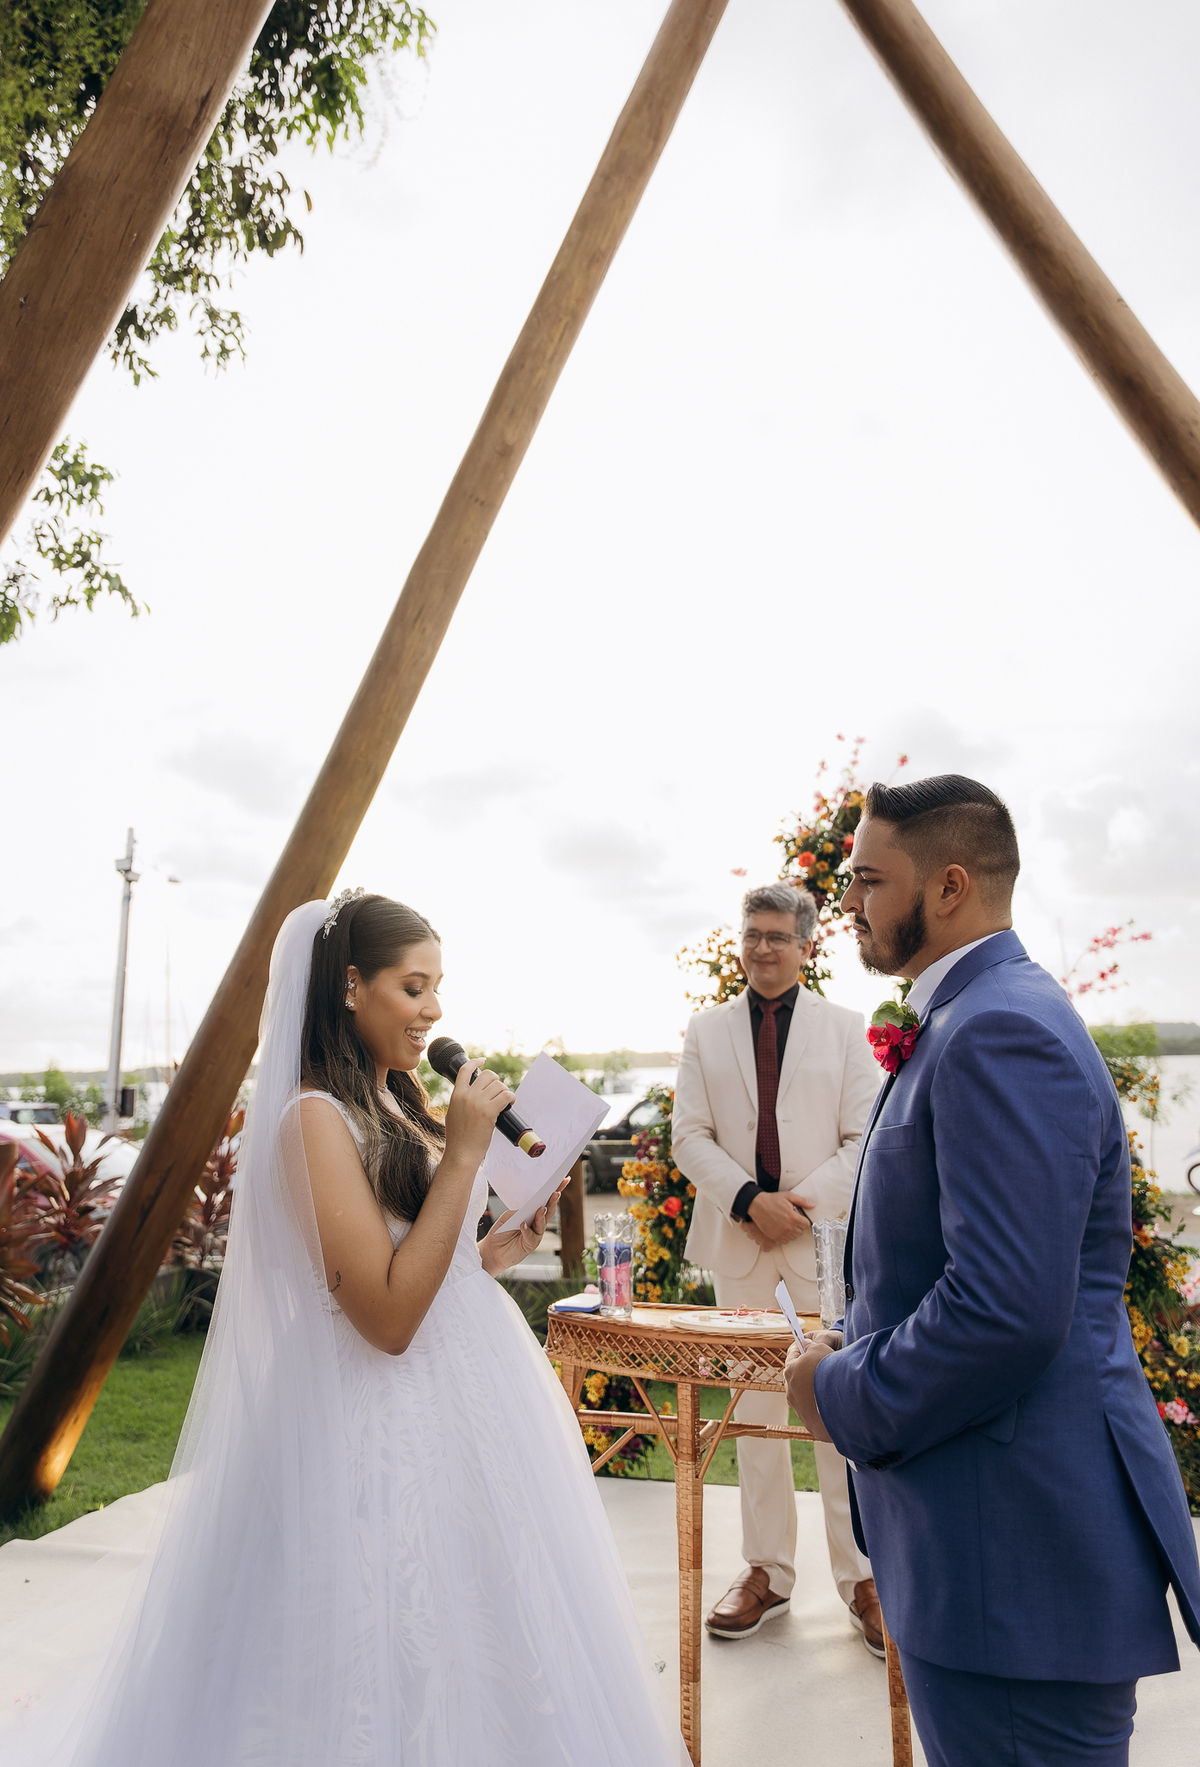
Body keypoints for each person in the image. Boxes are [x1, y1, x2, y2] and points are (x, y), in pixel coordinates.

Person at [1, 893, 685, 1767]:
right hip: (374, 1415)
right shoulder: (312, 1118)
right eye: (415, 985)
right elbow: (388, 1317)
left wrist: (489, 1252)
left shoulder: (393, 1102)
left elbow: (419, 1259)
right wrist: (467, 1155)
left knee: (491, 1621)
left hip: (464, 1404)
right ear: (352, 986)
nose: (435, 1010)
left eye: (439, 988)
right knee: (379, 1629)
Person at [785, 775, 1200, 1767]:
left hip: (1016, 1562)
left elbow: (1006, 1312)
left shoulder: (1000, 1030)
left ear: (950, 887)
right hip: (988, 1552)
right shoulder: (972, 1017)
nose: (846, 902)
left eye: (869, 880)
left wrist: (835, 1387)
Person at [672, 882, 883, 1651]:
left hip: (820, 1246)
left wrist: (797, 1204)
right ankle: (765, 1571)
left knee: (838, 1411)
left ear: (806, 944)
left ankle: (863, 1577)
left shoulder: (846, 1028)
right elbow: (687, 1135)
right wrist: (748, 1199)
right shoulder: (706, 1028)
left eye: (776, 936)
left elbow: (866, 1137)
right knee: (752, 1415)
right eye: (751, 933)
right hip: (740, 1242)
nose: (762, 947)